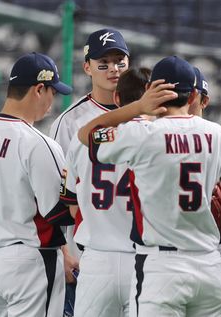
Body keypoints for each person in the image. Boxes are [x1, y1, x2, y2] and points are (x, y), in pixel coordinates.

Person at [77, 56, 221, 317]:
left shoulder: (142, 134)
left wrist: (137, 108)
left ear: (151, 92)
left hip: (161, 267)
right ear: (192, 96)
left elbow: (87, 134)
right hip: (208, 265)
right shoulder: (219, 136)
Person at [0, 52, 74, 316]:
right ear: (39, 89)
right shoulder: (38, 143)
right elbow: (58, 213)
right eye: (52, 92)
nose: (53, 101)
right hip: (29, 262)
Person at [49, 28, 130, 316]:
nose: (113, 69)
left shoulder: (144, 114)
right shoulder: (70, 121)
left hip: (137, 250)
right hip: (86, 252)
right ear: (87, 67)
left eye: (120, 62)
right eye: (103, 63)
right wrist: (63, 251)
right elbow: (55, 194)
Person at [59, 67, 150, 317]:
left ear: (117, 99)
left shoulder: (84, 140)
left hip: (97, 261)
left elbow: (71, 204)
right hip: (145, 260)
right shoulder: (160, 138)